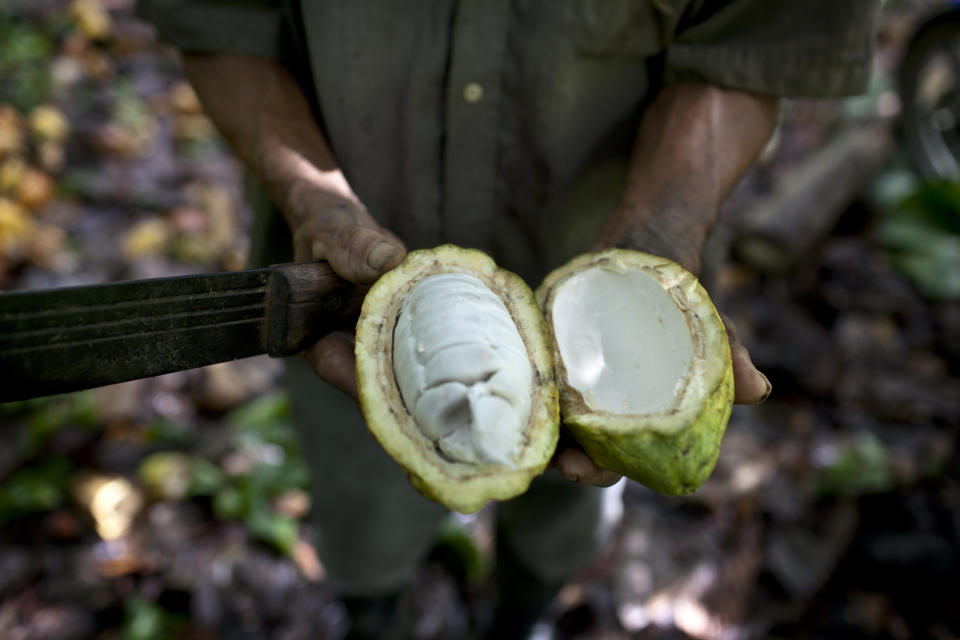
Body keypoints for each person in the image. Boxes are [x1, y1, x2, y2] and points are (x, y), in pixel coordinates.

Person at [136, 1, 879, 637]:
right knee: (361, 510)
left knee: (568, 515)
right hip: (342, 287)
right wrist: (309, 196)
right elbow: (220, 18)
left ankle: (524, 612)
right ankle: (375, 613)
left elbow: (756, 35)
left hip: (600, 235)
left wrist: (664, 227)